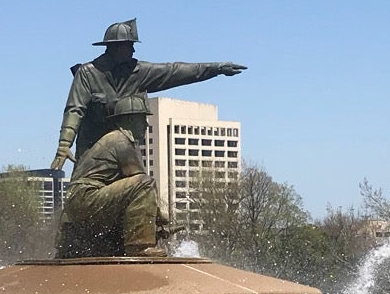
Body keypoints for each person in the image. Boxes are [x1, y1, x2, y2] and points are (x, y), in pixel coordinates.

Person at [49, 20, 245, 172]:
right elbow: (75, 109)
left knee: (142, 187)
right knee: (80, 191)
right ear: (116, 47)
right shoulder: (88, 73)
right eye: (130, 45)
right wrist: (64, 145)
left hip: (126, 149)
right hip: (92, 149)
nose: (134, 49)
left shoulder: (139, 71)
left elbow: (175, 71)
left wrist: (216, 68)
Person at [55, 125, 168, 258]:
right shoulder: (123, 140)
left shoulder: (109, 139)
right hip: (87, 198)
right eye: (141, 118)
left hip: (75, 206)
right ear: (130, 120)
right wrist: (160, 217)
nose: (145, 125)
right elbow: (141, 186)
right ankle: (140, 246)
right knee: (144, 183)